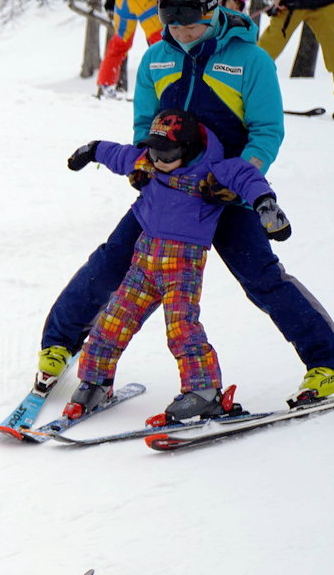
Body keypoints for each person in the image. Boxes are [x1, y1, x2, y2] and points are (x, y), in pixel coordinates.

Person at [36, 0, 334, 408]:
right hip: (168, 192)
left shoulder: (252, 61)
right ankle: (59, 346)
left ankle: (332, 368)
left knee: (263, 279)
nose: (181, 32)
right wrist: (144, 163)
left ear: (212, 13)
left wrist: (242, 181)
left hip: (223, 192)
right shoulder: (156, 58)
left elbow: (266, 130)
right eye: (172, 24)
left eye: (191, 24)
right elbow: (144, 125)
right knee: (110, 262)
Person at [64, 109, 290, 423]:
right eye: (153, 150)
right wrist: (92, 149)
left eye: (166, 153)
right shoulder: (150, 161)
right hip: (144, 261)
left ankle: (204, 392)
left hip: (181, 268)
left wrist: (266, 205)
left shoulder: (213, 171)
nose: (157, 159)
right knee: (112, 321)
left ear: (188, 149)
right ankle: (95, 382)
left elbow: (247, 177)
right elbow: (119, 154)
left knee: (182, 329)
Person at [96, 0, 175, 99]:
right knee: (160, 42)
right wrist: (165, 0)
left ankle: (106, 85)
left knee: (120, 40)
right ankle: (164, 85)